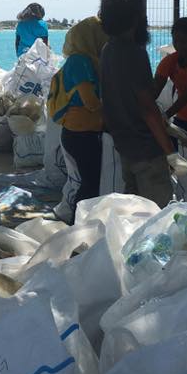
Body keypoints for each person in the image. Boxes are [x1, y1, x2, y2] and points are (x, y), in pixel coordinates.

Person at [98, 0, 187, 206]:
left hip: (125, 147)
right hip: (147, 152)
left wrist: (166, 124)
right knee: (156, 216)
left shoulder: (107, 50)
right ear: (134, 18)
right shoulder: (133, 53)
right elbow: (146, 107)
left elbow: (117, 100)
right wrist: (170, 153)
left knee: (135, 213)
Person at [48, 17, 108, 224]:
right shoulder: (80, 61)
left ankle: (81, 223)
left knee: (89, 180)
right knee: (89, 183)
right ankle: (78, 225)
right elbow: (90, 101)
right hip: (80, 134)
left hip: (85, 131)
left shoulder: (88, 60)